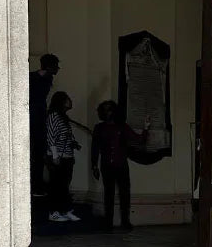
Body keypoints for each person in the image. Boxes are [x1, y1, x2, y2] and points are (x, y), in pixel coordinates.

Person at [91, 100, 149, 230]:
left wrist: (146, 128)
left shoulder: (122, 127)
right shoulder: (99, 128)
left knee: (124, 194)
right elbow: (95, 148)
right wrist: (94, 165)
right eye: (105, 110)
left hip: (121, 165)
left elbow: (138, 139)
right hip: (107, 165)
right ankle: (108, 222)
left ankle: (125, 221)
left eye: (110, 109)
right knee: (109, 194)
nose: (108, 112)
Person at [45, 91, 81, 222]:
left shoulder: (63, 117)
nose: (70, 101)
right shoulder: (53, 116)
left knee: (64, 185)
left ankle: (64, 210)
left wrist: (73, 143)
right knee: (56, 185)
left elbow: (65, 135)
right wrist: (55, 155)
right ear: (61, 101)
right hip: (58, 156)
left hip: (67, 156)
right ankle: (53, 212)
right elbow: (50, 136)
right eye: (67, 99)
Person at [29, 53, 60, 197]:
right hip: (36, 116)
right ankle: (36, 186)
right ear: (50, 66)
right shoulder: (43, 77)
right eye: (56, 66)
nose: (58, 69)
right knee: (38, 152)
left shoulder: (34, 76)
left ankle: (37, 185)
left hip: (36, 115)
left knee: (37, 152)